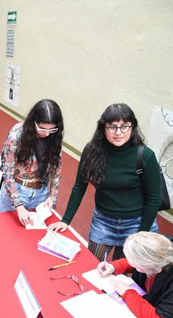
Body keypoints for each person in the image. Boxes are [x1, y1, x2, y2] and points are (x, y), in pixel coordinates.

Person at [49, 103, 161, 261]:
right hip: (103, 222)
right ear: (103, 128)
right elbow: (79, 187)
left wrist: (140, 235)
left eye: (124, 127)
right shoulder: (92, 151)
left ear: (132, 127)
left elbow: (153, 199)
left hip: (136, 224)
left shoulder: (145, 156)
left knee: (120, 275)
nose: (118, 133)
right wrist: (66, 220)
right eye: (112, 127)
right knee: (93, 267)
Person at [0, 99, 63, 226]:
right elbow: (7, 171)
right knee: (2, 231)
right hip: (16, 191)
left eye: (52, 129)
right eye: (42, 128)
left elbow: (56, 169)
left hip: (40, 194)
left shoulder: (55, 137)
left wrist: (52, 197)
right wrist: (19, 205)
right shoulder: (17, 134)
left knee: (31, 240)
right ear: (33, 122)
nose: (47, 133)